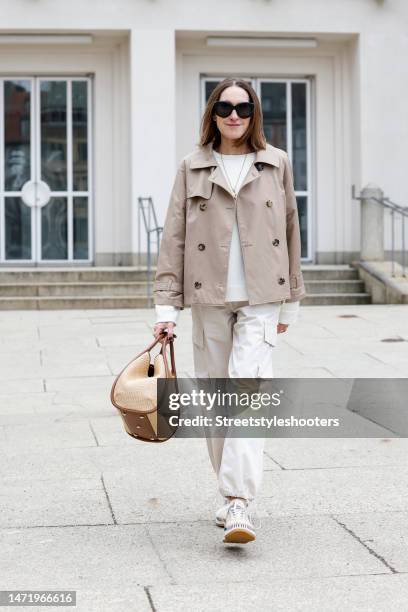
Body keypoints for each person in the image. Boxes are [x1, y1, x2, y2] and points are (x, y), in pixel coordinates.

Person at [152, 77, 306, 544]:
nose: (234, 115)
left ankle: (239, 503)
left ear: (254, 112)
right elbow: (174, 236)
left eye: (242, 106)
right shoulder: (192, 166)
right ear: (212, 113)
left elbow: (291, 228)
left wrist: (291, 300)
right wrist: (165, 307)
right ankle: (229, 496)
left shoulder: (275, 162)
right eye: (224, 106)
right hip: (208, 297)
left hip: (262, 298)